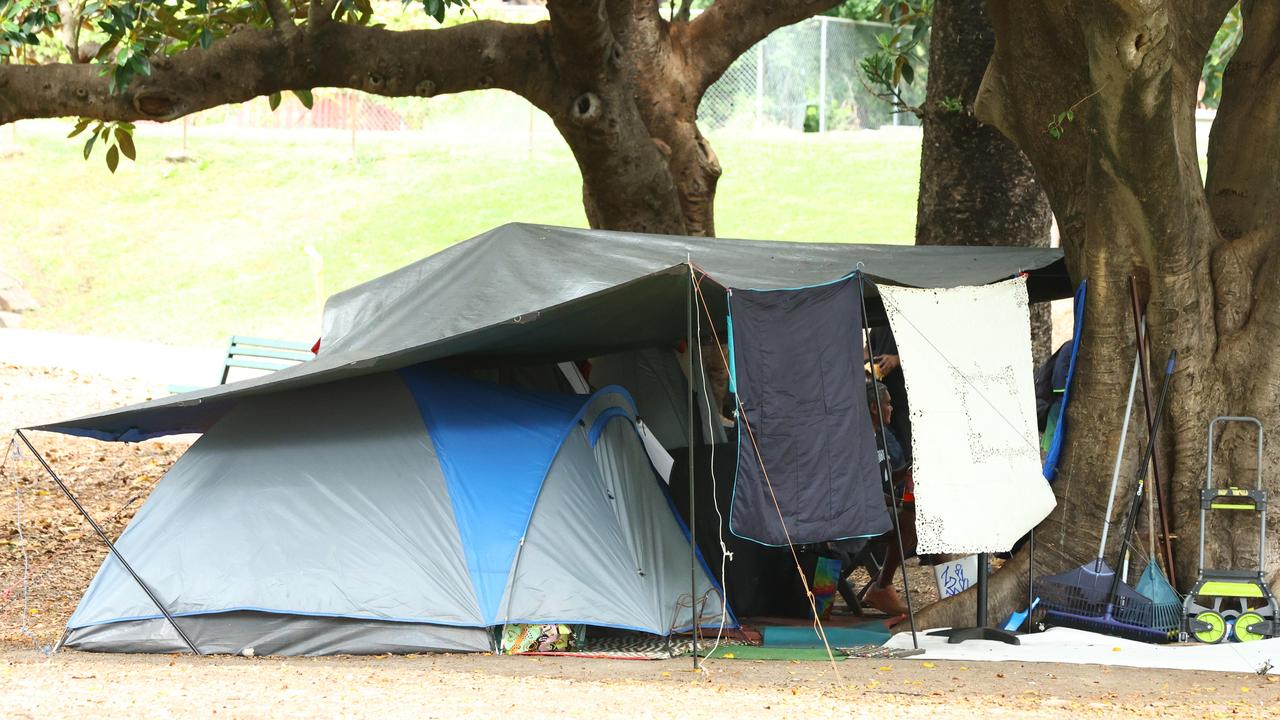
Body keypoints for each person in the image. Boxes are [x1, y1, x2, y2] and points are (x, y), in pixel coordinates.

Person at [860, 379, 916, 617]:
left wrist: (904, 471)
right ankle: (882, 586)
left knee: (924, 522)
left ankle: (953, 589)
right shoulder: (860, 441)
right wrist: (900, 503)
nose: (892, 408)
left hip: (877, 507)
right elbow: (866, 489)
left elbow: (883, 479)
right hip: (862, 514)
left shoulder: (882, 436)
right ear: (874, 408)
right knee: (910, 522)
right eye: (888, 404)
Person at [867, 325, 912, 462]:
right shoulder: (879, 322)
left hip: (903, 399)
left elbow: (922, 351)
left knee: (907, 447)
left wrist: (896, 360)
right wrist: (868, 364)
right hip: (881, 399)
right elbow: (867, 349)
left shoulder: (904, 319)